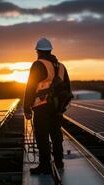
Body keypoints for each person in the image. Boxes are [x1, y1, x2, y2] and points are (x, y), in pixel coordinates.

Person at [24, 38, 72, 174]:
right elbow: (68, 88)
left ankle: (45, 165)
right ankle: (59, 162)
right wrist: (62, 106)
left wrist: (27, 107)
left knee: (42, 135)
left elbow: (30, 87)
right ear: (50, 50)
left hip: (42, 105)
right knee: (56, 134)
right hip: (57, 107)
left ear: (38, 51)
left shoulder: (38, 65)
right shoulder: (61, 66)